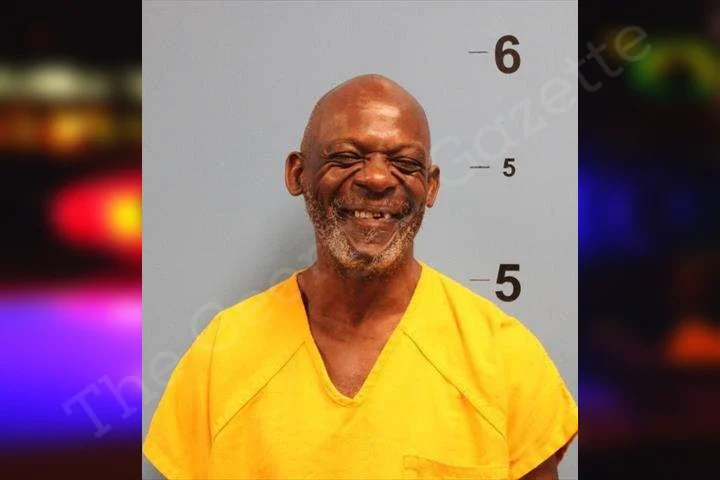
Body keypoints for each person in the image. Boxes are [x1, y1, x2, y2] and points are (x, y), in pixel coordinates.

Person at [143, 74, 578, 480]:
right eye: (347, 157)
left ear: (430, 186)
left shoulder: (505, 360)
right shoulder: (222, 354)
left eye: (404, 162)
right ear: (298, 173)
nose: (376, 178)